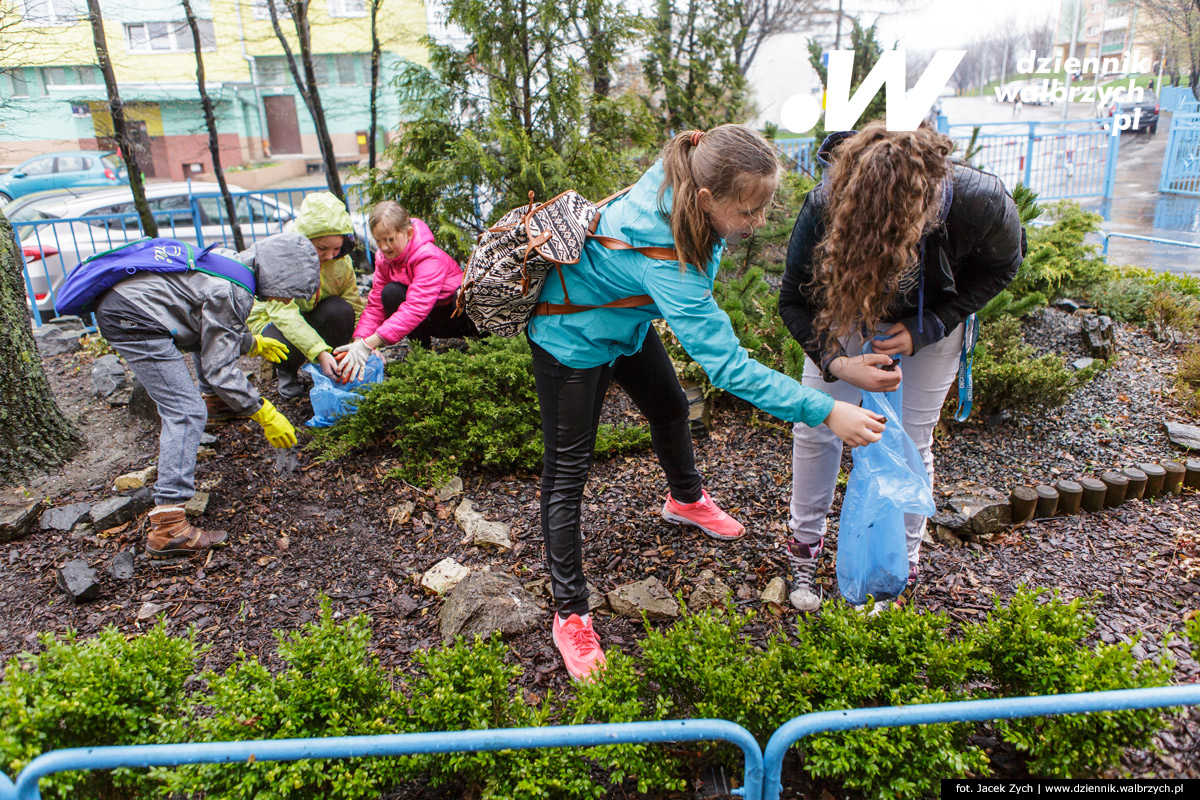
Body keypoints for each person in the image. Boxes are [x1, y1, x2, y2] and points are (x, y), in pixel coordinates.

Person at [526, 124, 887, 681]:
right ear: (705, 199)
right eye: (749, 211)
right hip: (569, 336)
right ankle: (570, 612)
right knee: (567, 472)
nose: (759, 222)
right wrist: (826, 409)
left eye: (765, 207)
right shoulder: (666, 257)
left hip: (624, 319)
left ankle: (685, 501)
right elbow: (729, 368)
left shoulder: (689, 174)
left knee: (671, 408)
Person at [779, 123, 1026, 612]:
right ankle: (804, 548)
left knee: (911, 439)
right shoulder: (827, 202)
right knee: (816, 427)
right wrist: (838, 361)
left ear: (924, 211)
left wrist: (929, 327)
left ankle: (900, 562)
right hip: (843, 315)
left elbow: (1004, 266)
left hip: (931, 321)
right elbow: (792, 299)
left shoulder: (981, 203)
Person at [93, 233, 321, 558]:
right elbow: (220, 368)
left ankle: (216, 403)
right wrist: (263, 411)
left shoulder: (232, 264)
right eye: (290, 293)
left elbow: (206, 326)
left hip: (127, 305)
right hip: (136, 319)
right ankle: (168, 526)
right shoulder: (234, 290)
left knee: (193, 403)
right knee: (185, 412)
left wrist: (251, 343)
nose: (287, 302)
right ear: (279, 277)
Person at [333, 201, 479, 382]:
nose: (384, 247)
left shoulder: (428, 256)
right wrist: (359, 341)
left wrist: (370, 343)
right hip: (429, 318)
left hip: (454, 317)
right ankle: (422, 352)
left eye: (390, 239)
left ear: (408, 233)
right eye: (378, 240)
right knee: (390, 292)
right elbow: (376, 304)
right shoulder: (384, 259)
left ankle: (482, 345)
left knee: (464, 295)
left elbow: (416, 306)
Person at [246, 192, 365, 399]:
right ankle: (287, 372)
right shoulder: (285, 260)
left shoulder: (342, 263)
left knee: (340, 310)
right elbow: (283, 313)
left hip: (314, 315)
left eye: (336, 248)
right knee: (283, 345)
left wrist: (363, 342)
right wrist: (318, 351)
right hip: (274, 322)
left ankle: (334, 364)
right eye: (321, 248)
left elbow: (353, 304)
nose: (330, 256)